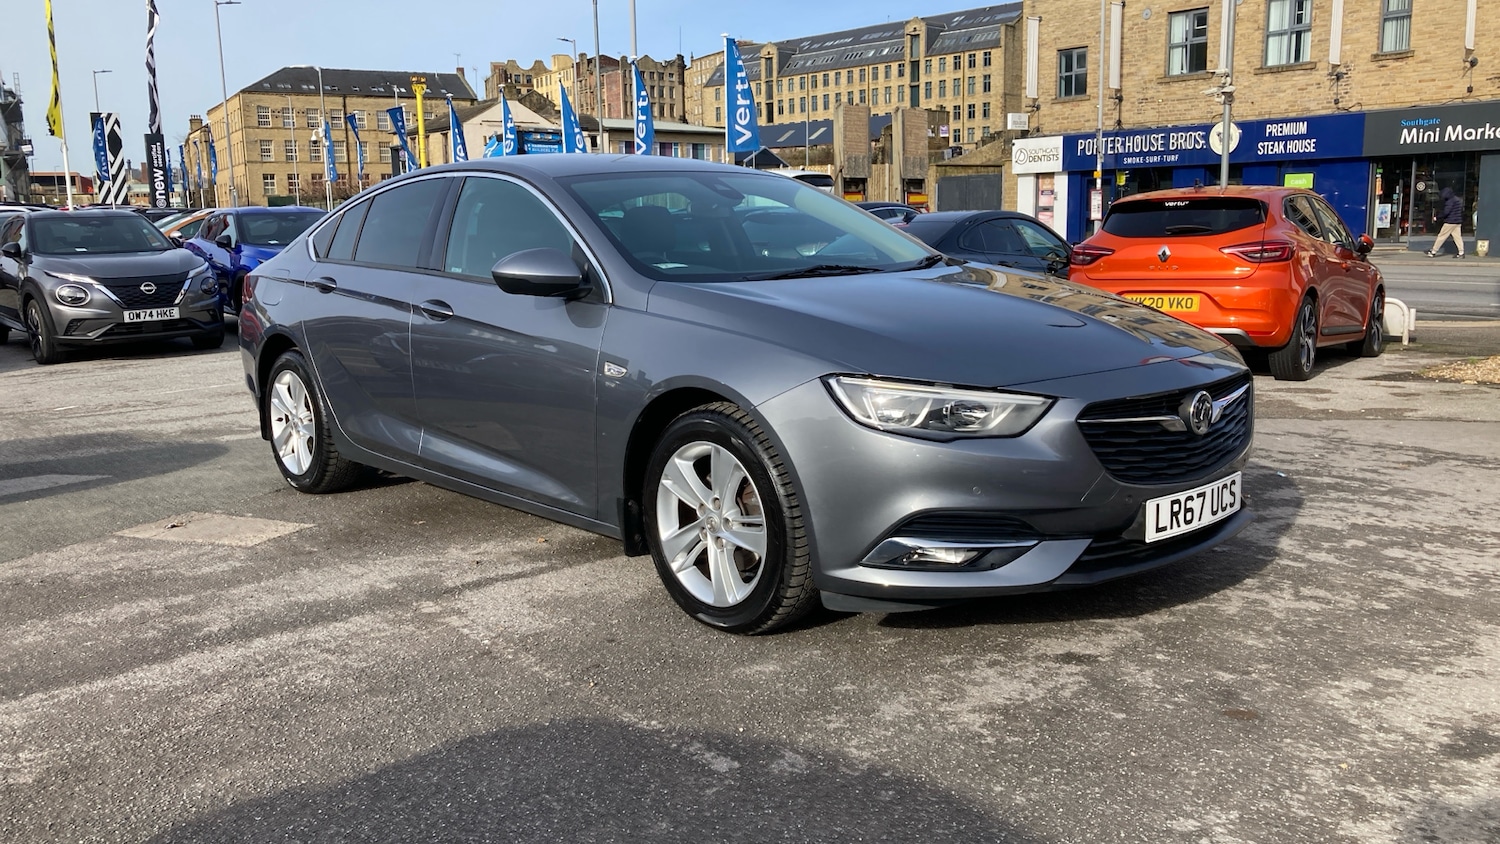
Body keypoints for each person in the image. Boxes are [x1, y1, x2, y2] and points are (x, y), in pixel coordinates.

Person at [1428, 187, 1466, 258]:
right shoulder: (1457, 199)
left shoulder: (1450, 201)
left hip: (1450, 222)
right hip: (1457, 222)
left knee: (1441, 236)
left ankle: (1433, 251)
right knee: (1457, 237)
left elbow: (1446, 212)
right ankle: (1461, 252)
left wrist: (1437, 217)